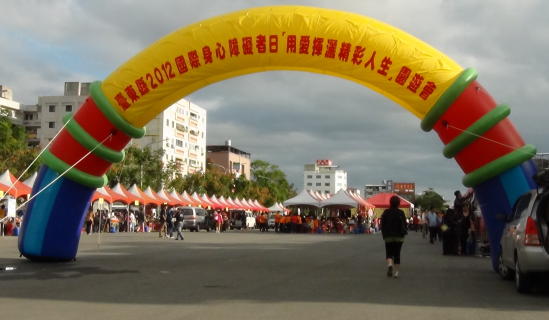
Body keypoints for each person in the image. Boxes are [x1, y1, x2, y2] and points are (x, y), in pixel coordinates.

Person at [381, 196, 407, 278]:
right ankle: (396, 272)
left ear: (390, 202)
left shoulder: (386, 212)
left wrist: (384, 234)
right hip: (399, 236)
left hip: (388, 236)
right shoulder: (401, 212)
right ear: (398, 203)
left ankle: (389, 264)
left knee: (389, 253)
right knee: (397, 253)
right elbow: (405, 224)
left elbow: (382, 224)